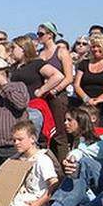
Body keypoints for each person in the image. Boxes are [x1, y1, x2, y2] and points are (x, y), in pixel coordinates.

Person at [10, 36, 64, 150]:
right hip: (16, 110)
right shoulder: (13, 68)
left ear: (23, 48)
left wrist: (41, 90)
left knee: (31, 145)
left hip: (33, 108)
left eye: (13, 47)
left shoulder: (36, 64)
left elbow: (58, 76)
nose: (11, 51)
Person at [7, 120, 59, 206]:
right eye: (14, 140)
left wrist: (38, 203)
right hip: (22, 194)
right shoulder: (17, 158)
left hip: (36, 198)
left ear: (32, 138)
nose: (16, 143)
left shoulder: (42, 159)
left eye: (20, 139)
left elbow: (54, 183)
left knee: (17, 204)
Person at [37, 22, 73, 162]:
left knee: (59, 133)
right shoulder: (39, 54)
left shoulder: (61, 52)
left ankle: (64, 170)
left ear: (50, 35)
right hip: (43, 97)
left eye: (41, 34)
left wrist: (55, 90)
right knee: (44, 133)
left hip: (58, 97)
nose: (39, 37)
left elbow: (69, 77)